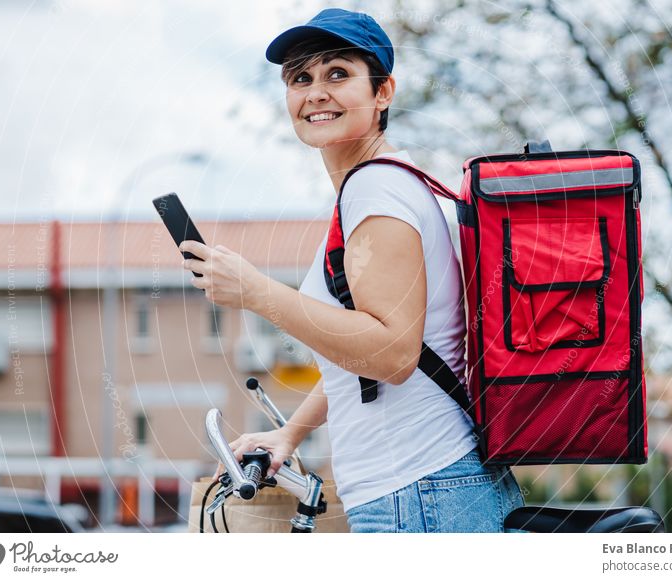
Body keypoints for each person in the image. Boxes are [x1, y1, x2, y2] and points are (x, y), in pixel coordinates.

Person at [180, 7, 524, 533]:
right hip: (423, 489)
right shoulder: (375, 189)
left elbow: (391, 353)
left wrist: (256, 291)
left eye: (338, 73)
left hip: (421, 493)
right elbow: (366, 354)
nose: (316, 92)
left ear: (383, 92)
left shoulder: (375, 190)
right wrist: (290, 434)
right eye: (300, 78)